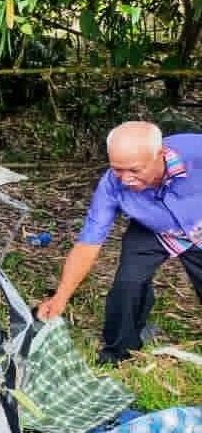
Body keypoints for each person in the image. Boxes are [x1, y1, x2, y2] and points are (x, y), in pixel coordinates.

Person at [37, 121, 202, 365]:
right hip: (153, 228)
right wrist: (60, 297)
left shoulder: (195, 151)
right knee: (127, 284)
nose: (125, 179)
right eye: (117, 170)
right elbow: (88, 243)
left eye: (135, 170)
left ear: (160, 155)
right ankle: (120, 352)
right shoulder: (111, 187)